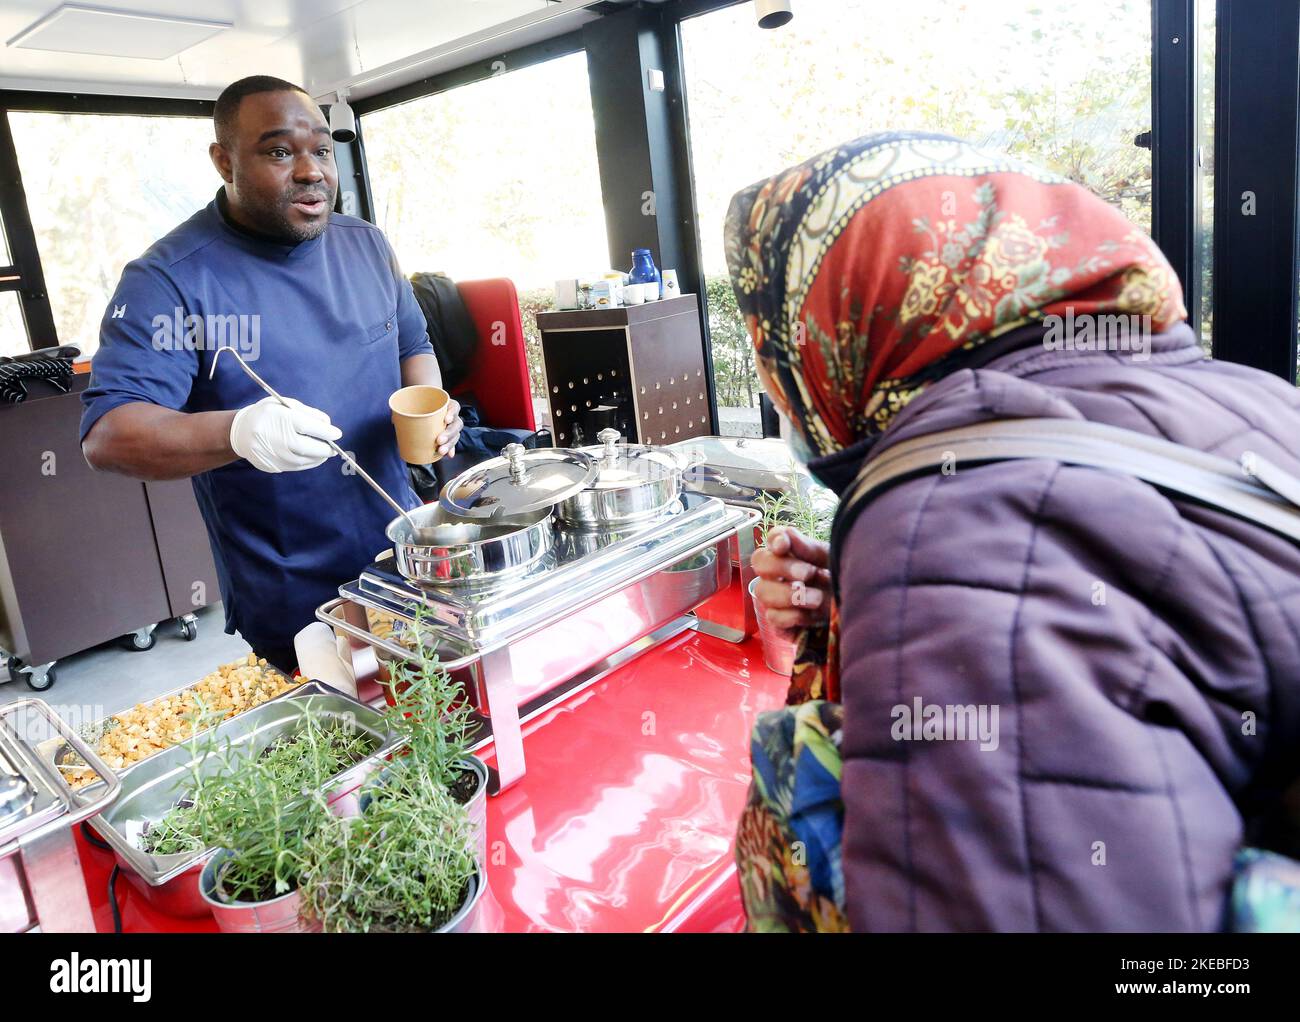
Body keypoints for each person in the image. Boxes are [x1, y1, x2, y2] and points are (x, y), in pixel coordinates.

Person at [730, 130, 1300, 932]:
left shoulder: (948, 511)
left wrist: (915, 585)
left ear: (835, 332)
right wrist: (861, 613)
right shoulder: (1255, 397)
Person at [80, 76, 462, 672]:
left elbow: (412, 343)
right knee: (360, 743)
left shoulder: (366, 245)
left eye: (323, 151)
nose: (311, 171)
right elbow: (110, 435)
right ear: (223, 160)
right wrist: (237, 432)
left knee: (453, 723)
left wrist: (432, 406)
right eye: (280, 151)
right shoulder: (172, 280)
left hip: (403, 546)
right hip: (295, 588)